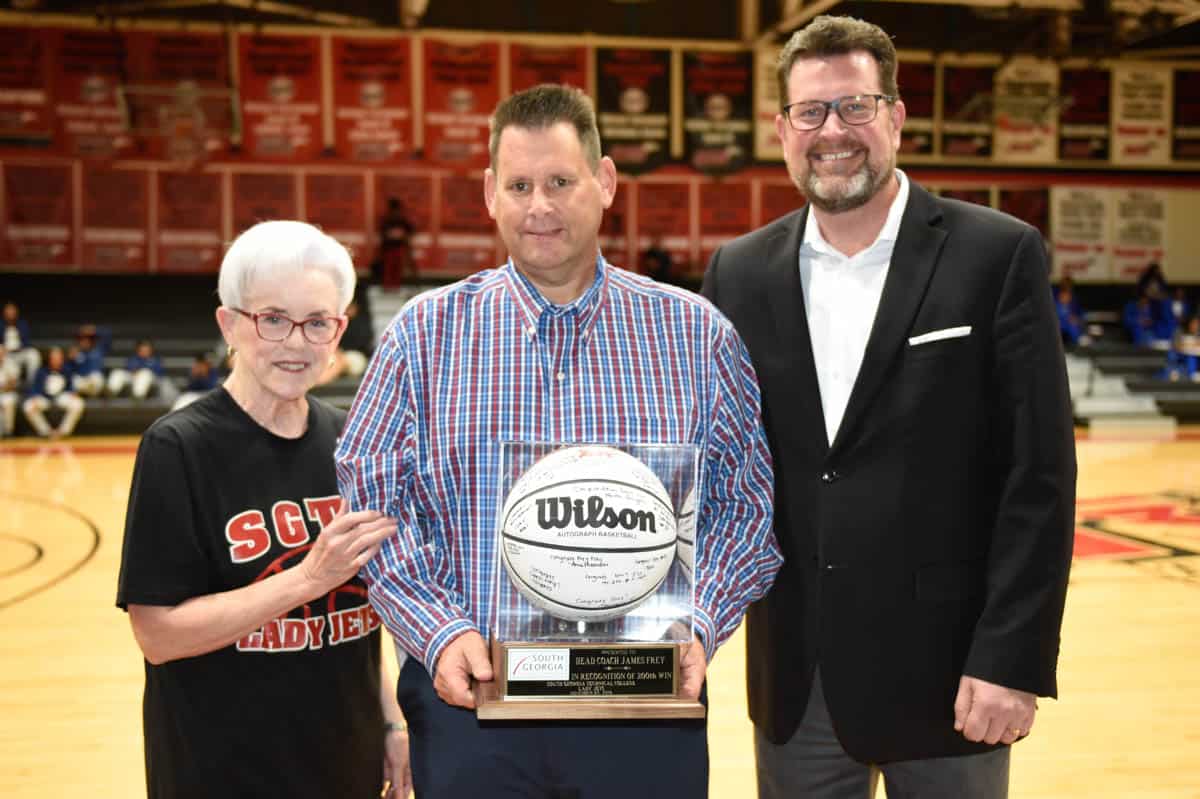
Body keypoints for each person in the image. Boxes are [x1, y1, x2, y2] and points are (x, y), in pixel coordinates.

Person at [335, 84, 782, 799]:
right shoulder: (423, 336)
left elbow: (747, 505)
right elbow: (376, 509)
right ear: (489, 193)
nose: (538, 205)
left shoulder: (696, 336)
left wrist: (699, 623)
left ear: (603, 183)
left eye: (560, 182)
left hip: (641, 710)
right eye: (519, 184)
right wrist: (440, 630)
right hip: (470, 704)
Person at [700, 16, 1076, 799]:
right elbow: (716, 462)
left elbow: (1037, 476)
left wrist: (1010, 657)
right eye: (811, 112)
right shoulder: (737, 273)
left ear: (896, 118)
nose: (832, 131)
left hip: (954, 681)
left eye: (855, 107)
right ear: (781, 130)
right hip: (799, 684)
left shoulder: (996, 254)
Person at [115, 221, 412, 799]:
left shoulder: (349, 441)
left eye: (317, 322)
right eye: (272, 319)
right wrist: (306, 578)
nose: (297, 342)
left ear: (340, 330)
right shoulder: (178, 449)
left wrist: (391, 722)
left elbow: (352, 615)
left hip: (343, 763)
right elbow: (158, 635)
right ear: (230, 324)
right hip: (224, 770)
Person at [22, 346, 85, 439]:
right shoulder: (41, 371)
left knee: (78, 404)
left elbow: (71, 385)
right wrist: (34, 397)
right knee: (28, 406)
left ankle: (63, 432)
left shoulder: (67, 370)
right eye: (54, 359)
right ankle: (46, 432)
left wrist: (73, 393)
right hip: (44, 397)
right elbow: (34, 387)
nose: (57, 361)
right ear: (49, 359)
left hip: (61, 397)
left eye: (59, 359)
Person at [107, 339, 177, 402]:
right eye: (142, 350)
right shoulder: (133, 359)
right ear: (138, 350)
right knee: (117, 372)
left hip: (151, 383)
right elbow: (128, 369)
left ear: (151, 350)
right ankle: (110, 392)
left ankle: (138, 397)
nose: (144, 352)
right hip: (134, 379)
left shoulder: (156, 360)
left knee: (145, 373)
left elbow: (159, 375)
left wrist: (141, 372)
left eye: (146, 350)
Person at [377, 197, 415, 288]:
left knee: (390, 268)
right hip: (397, 246)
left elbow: (382, 231)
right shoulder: (401, 218)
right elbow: (410, 229)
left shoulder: (387, 218)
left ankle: (389, 285)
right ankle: (394, 285)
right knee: (395, 267)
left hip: (391, 246)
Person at [67, 324, 110, 397]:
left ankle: (94, 392)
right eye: (82, 340)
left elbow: (107, 335)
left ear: (91, 341)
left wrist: (94, 330)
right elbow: (69, 370)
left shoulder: (98, 350)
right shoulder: (77, 353)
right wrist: (70, 360)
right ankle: (89, 392)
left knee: (97, 377)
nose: (85, 342)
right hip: (83, 380)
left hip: (94, 380)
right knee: (75, 379)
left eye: (87, 340)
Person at [3, 301, 41, 381]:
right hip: (6, 354)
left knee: (33, 354)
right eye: (8, 311)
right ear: (4, 312)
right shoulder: (0, 325)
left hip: (21, 351)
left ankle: (31, 382)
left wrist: (20, 347)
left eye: (12, 310)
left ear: (16, 312)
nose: (10, 313)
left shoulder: (22, 324)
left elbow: (27, 341)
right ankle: (11, 384)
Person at [0, 347, 20, 437]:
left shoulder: (10, 363)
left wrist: (5, 387)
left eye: (1, 353)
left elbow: (13, 383)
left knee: (9, 400)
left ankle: (9, 432)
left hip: (8, 393)